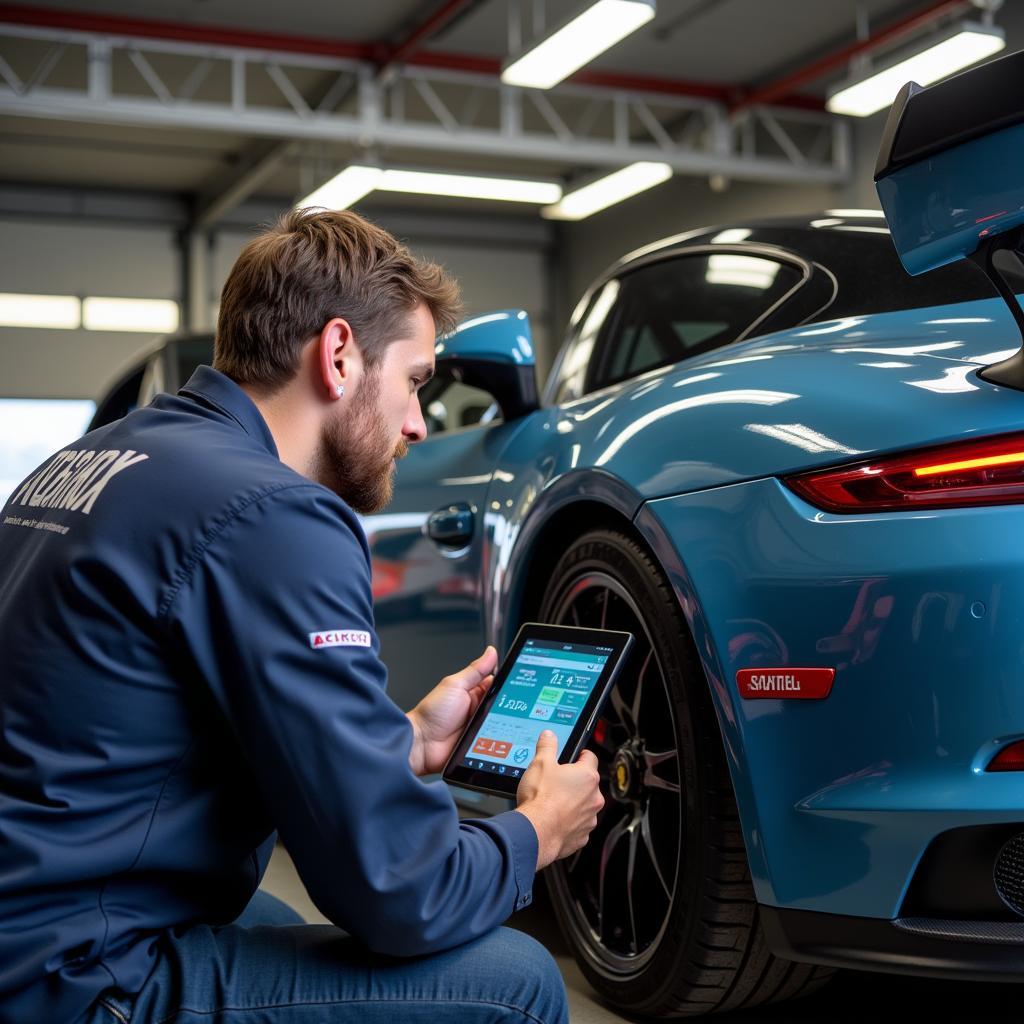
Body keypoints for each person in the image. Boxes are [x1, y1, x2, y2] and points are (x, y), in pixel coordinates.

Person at [0, 208, 604, 1024]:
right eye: (417, 380)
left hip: (35, 922)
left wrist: (406, 741)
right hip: (72, 979)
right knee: (515, 981)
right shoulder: (275, 513)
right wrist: (538, 831)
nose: (420, 424)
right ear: (340, 354)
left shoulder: (88, 463)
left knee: (277, 922)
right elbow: (397, 892)